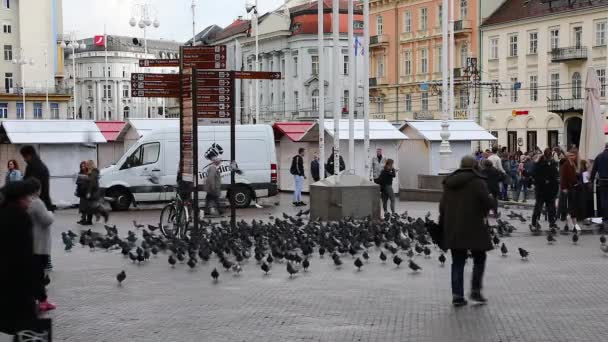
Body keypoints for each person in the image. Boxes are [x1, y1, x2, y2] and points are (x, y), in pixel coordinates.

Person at [440, 155, 495, 307]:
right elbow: (487, 202)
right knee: (479, 258)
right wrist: (491, 200)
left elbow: (442, 207)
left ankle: (457, 295)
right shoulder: (478, 182)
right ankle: (475, 291)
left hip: (454, 228)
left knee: (457, 261)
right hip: (475, 228)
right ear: (474, 166)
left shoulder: (449, 182)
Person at [0, 180, 38, 336]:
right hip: (18, 279)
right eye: (27, 198)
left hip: (4, 277)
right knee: (26, 325)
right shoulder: (21, 218)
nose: (29, 201)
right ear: (18, 199)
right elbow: (25, 254)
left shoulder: (2, 214)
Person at [26, 178, 56, 312]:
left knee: (35, 274)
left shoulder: (26, 202)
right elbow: (46, 220)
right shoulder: (37, 202)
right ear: (38, 189)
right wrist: (51, 213)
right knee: (39, 275)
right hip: (40, 245)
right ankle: (42, 301)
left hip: (32, 243)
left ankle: (39, 300)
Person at [531, 148, 559, 231]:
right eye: (549, 156)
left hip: (546, 190)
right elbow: (535, 176)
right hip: (543, 190)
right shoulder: (541, 164)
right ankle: (537, 223)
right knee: (541, 207)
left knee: (548, 207)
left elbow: (555, 177)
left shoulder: (540, 163)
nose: (549, 158)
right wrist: (545, 181)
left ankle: (549, 223)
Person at [20, 145, 53, 211]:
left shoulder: (33, 166)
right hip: (44, 202)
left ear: (29, 155)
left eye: (24, 157)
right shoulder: (39, 164)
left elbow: (30, 184)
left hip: (38, 204)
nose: (24, 159)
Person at [560, 151, 580, 230]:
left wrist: (576, 182)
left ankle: (573, 224)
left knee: (571, 206)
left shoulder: (573, 164)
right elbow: (563, 177)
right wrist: (564, 188)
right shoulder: (565, 165)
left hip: (572, 187)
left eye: (574, 155)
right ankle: (567, 224)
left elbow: (574, 176)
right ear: (568, 156)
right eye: (571, 155)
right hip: (567, 188)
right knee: (567, 206)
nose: (573, 157)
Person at [590, 143, 608, 223]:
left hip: (602, 181)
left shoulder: (599, 156)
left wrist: (591, 180)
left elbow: (594, 170)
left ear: (605, 147)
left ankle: (605, 217)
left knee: (604, 200)